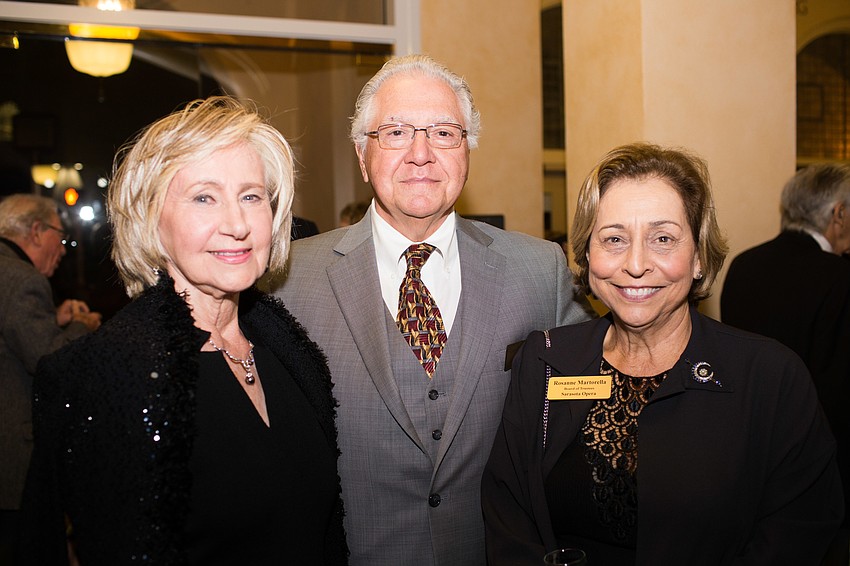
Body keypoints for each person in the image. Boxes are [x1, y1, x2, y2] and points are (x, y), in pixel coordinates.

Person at [268, 54, 593, 566]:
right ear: (361, 154)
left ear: (467, 151)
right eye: (395, 132)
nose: (421, 154)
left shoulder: (540, 269)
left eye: (444, 133)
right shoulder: (286, 280)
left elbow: (593, 402)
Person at [21, 96, 348, 565]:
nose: (237, 224)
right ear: (151, 218)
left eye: (251, 196)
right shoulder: (111, 375)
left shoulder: (290, 351)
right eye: (204, 197)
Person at [482, 143, 844, 565]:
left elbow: (800, 530)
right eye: (614, 239)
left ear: (698, 258)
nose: (636, 264)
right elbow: (508, 512)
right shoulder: (544, 361)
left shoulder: (770, 377)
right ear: (585, 254)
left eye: (663, 239)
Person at [721, 163, 850, 564]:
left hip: (746, 443)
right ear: (838, 214)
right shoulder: (840, 276)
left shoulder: (745, 263)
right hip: (821, 453)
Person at [0, 194, 101, 564]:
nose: (63, 249)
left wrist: (52, 319)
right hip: (11, 462)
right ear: (37, 230)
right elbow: (50, 363)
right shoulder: (22, 278)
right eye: (60, 236)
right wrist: (80, 325)